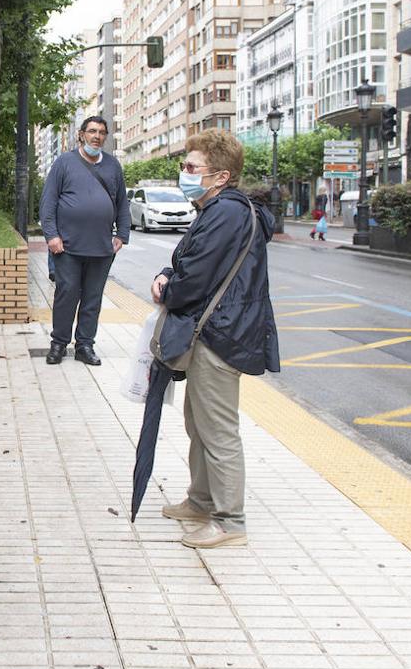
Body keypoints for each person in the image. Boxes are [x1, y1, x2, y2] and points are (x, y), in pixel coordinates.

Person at [150, 129, 279, 550]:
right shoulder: (219, 209)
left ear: (220, 176)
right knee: (198, 422)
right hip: (217, 328)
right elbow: (190, 263)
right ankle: (201, 501)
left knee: (218, 429)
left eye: (191, 168)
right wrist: (171, 274)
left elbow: (197, 274)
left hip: (220, 334)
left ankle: (229, 521)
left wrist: (168, 288)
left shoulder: (226, 212)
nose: (184, 174)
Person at [39, 116, 131, 366]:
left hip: (101, 247)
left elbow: (122, 201)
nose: (97, 136)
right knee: (66, 294)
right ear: (81, 134)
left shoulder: (113, 166)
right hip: (67, 246)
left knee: (93, 297)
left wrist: (122, 234)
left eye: (102, 132)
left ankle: (85, 345)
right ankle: (58, 343)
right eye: (92, 131)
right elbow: (48, 202)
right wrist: (52, 236)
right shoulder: (64, 162)